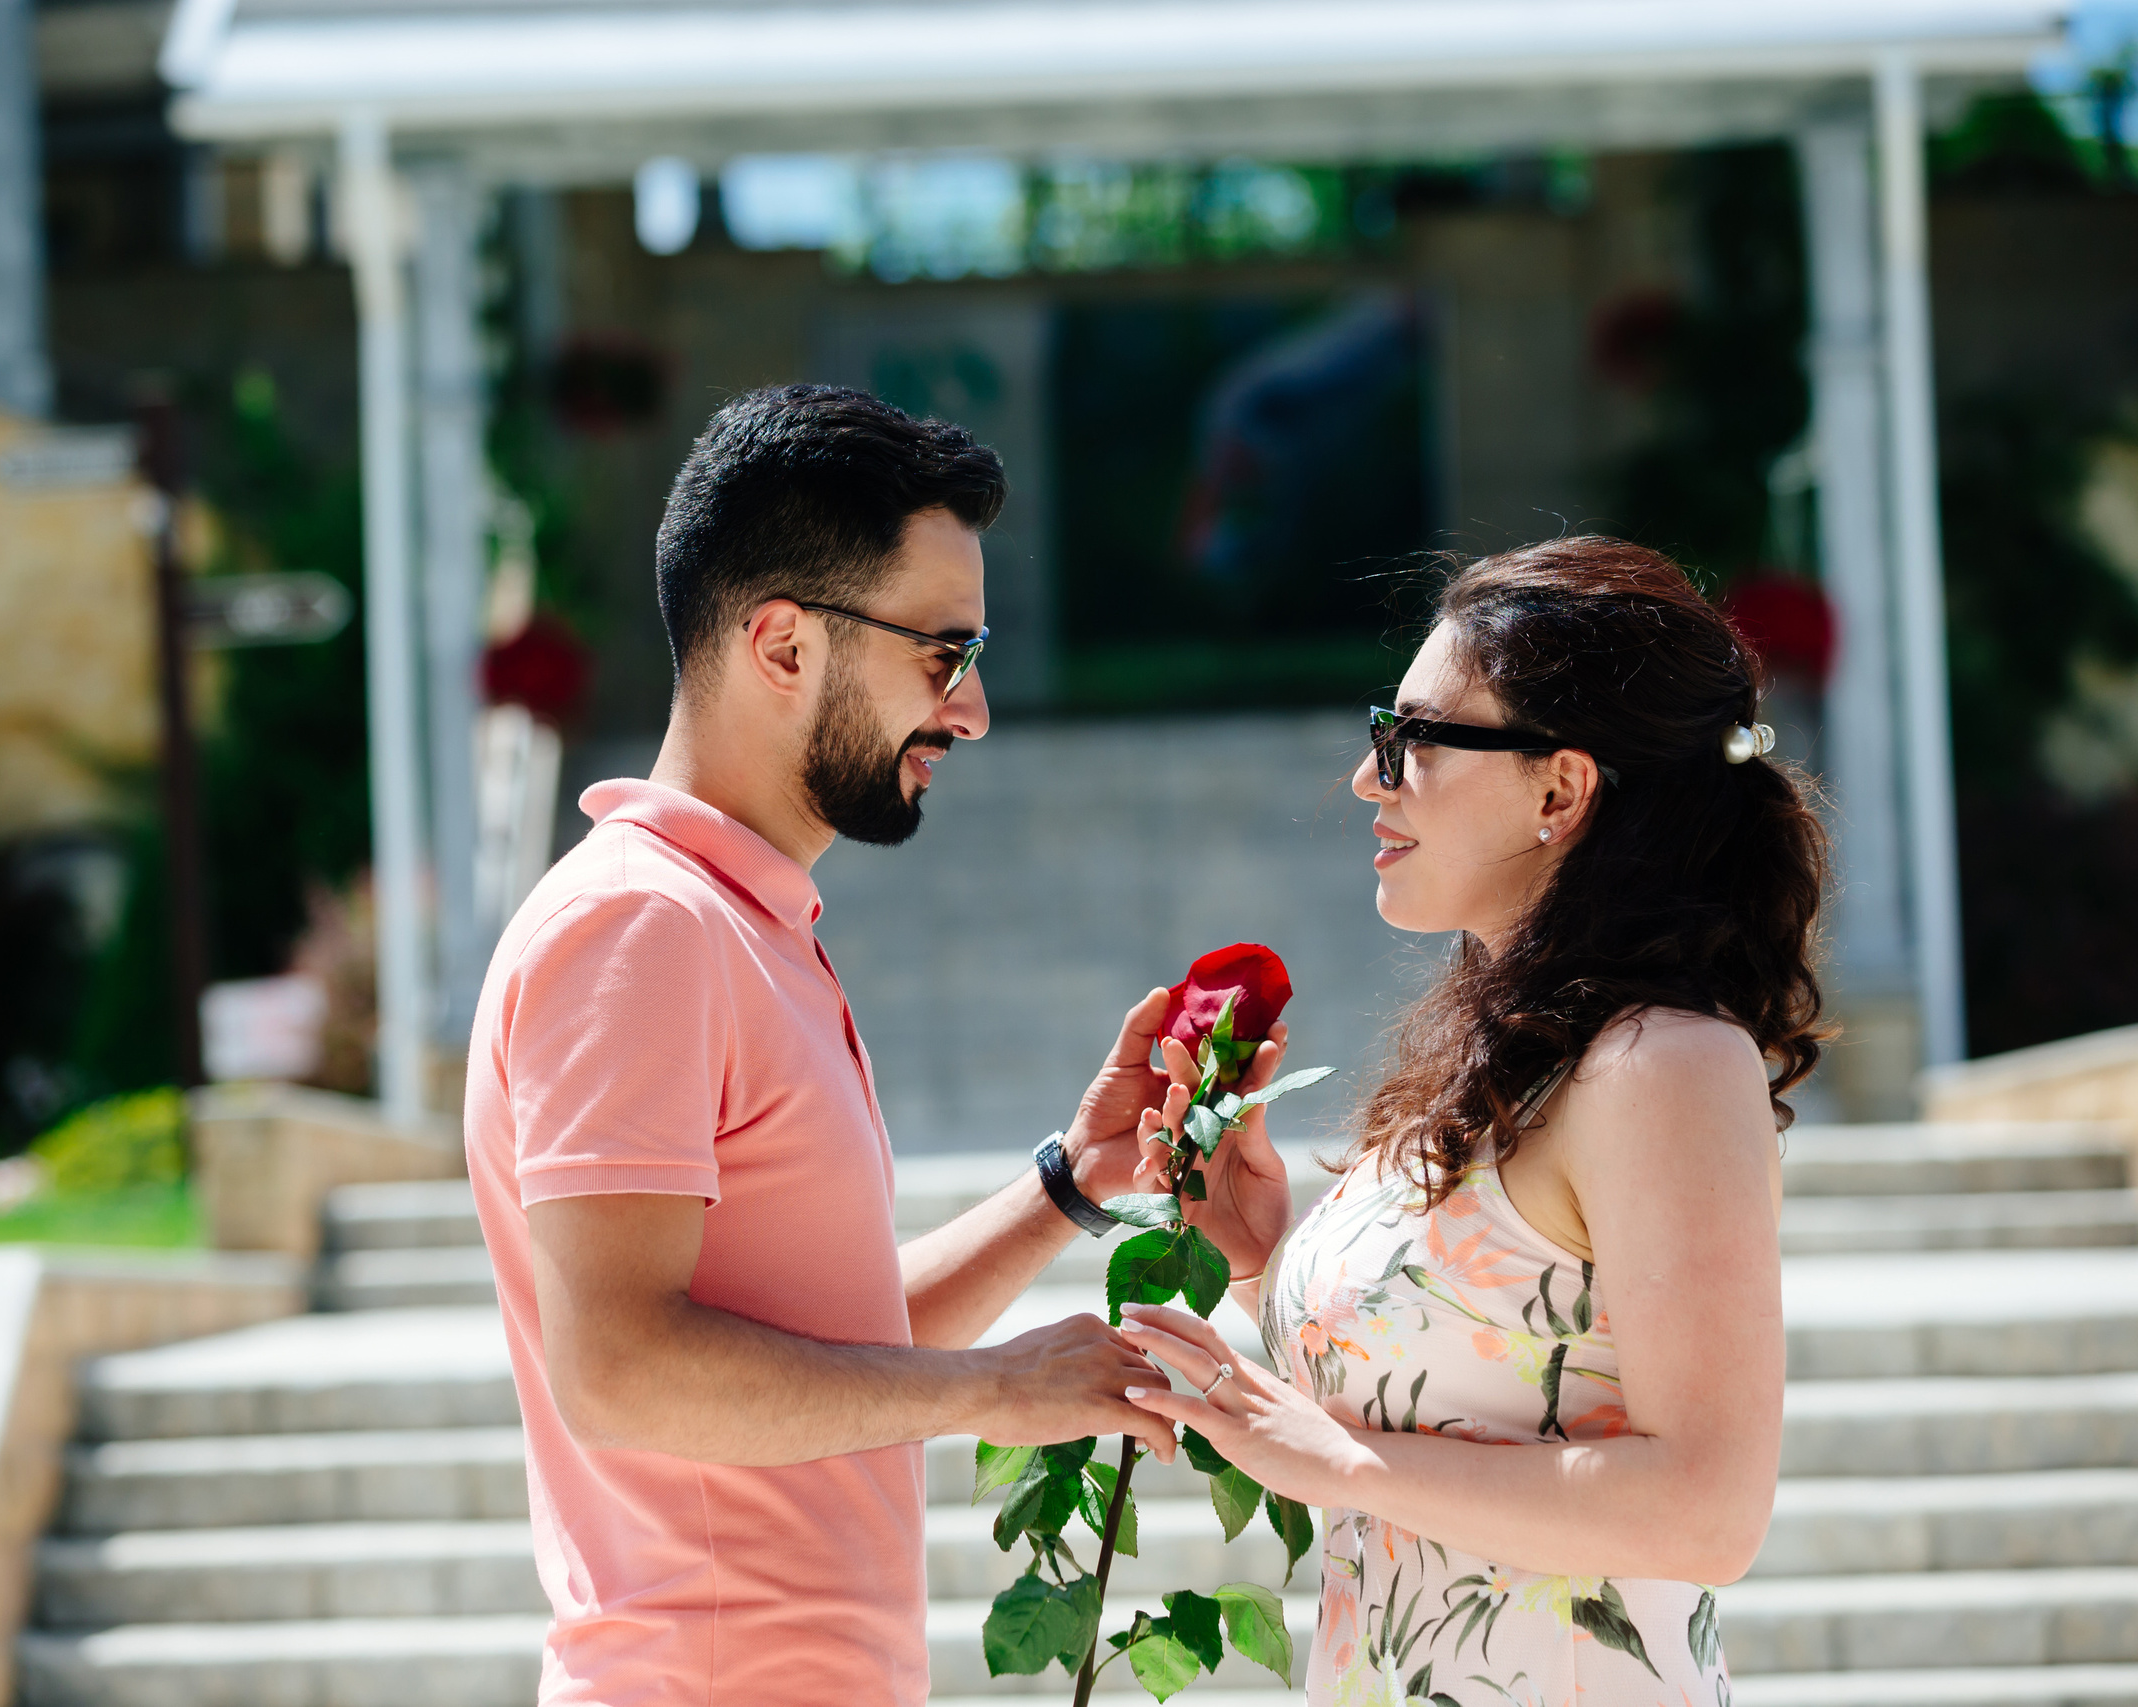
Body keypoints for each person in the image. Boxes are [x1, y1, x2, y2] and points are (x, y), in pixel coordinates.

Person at [463, 385, 1223, 1706]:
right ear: (782, 644)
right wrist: (989, 1390)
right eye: (943, 654)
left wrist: (1068, 1184)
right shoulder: (641, 924)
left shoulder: (733, 923)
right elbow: (623, 1368)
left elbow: (833, 1344)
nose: (971, 711)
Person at [1115, 537, 1826, 1704]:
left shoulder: (1662, 1064)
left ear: (1560, 789)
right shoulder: (1502, 1061)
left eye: (1415, 741)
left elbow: (1709, 1511)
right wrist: (1259, 1263)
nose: (1369, 779)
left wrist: (1342, 1463)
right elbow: (1465, 1382)